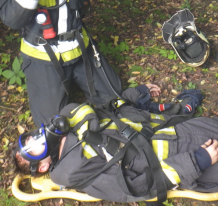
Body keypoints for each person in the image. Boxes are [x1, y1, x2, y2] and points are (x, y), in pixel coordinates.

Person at [13, 84, 218, 204]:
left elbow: (108, 111)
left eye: (31, 137)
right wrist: (197, 162)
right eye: (33, 147)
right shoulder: (72, 169)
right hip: (185, 155)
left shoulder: (70, 117)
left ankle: (183, 108)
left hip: (175, 129)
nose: (39, 136)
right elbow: (134, 188)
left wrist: (136, 94)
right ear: (43, 165)